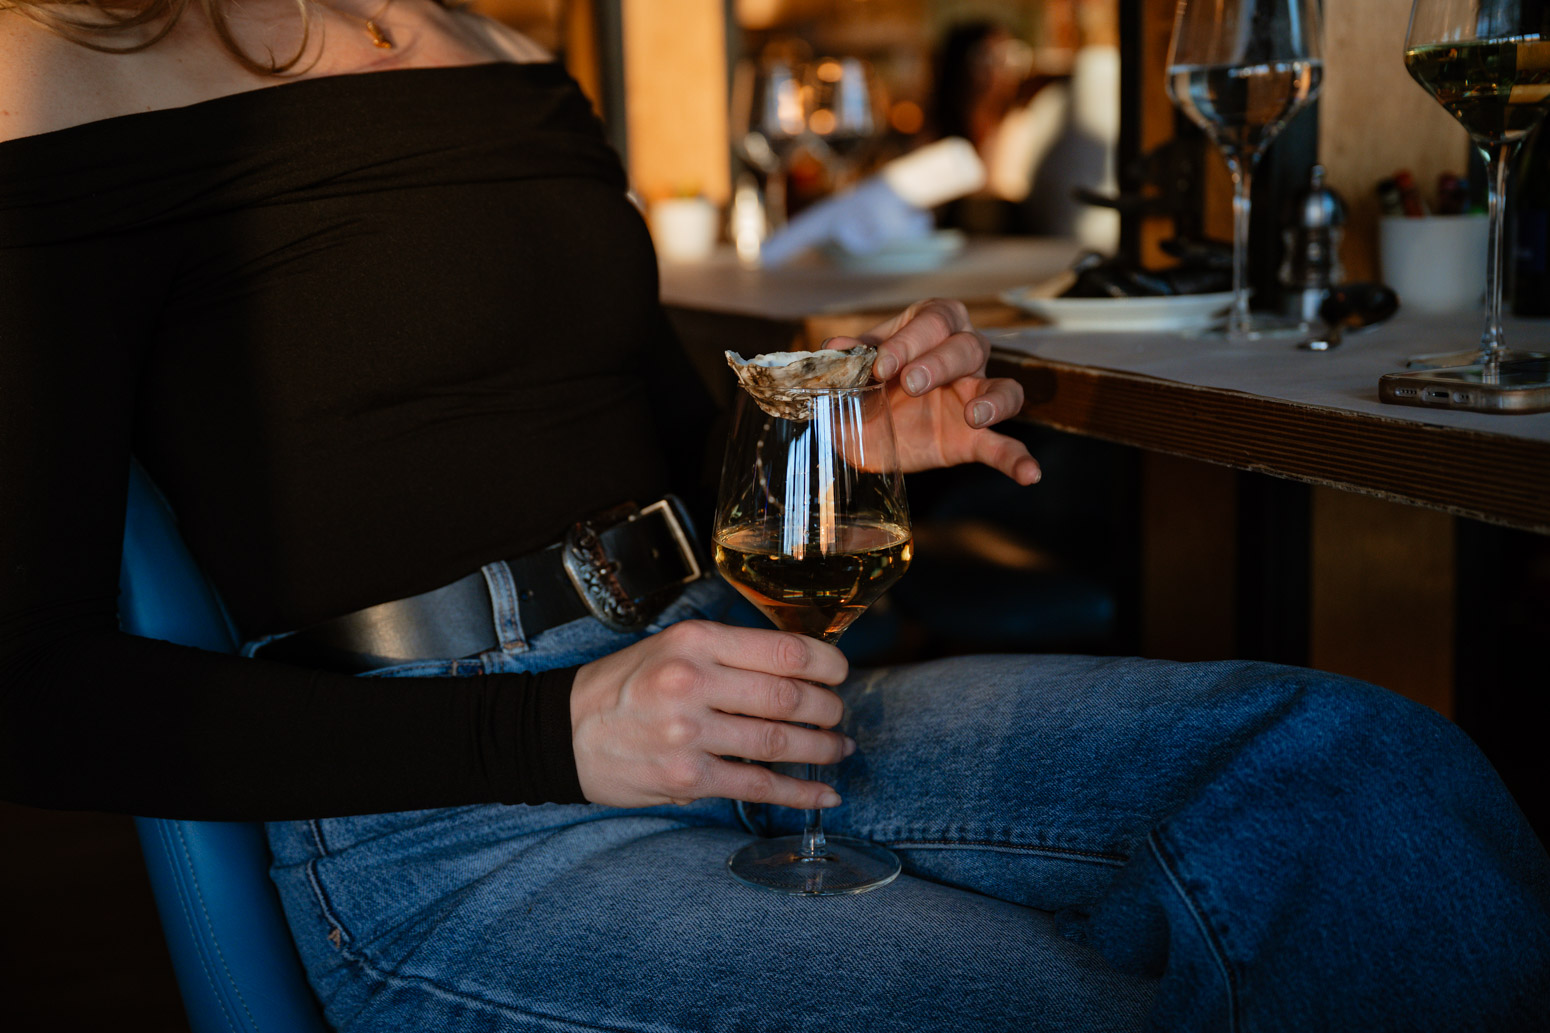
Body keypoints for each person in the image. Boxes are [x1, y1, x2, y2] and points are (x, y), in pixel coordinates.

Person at [1, 2, 1547, 1031]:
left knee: (1360, 773)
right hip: (449, 812)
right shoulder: (55, 61)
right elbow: (35, 689)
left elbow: (661, 461)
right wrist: (557, 733)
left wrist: (829, 439)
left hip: (739, 679)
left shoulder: (496, 48)